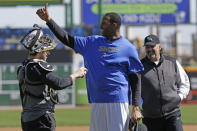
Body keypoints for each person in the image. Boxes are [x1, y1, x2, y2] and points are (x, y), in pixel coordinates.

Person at [36, 4, 144, 131]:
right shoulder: (91, 42)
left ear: (115, 25)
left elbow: (136, 80)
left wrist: (136, 108)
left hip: (118, 102)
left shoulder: (128, 48)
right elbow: (67, 39)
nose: (101, 26)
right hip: (97, 101)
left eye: (105, 23)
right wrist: (49, 21)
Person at [17, 24, 88, 131]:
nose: (47, 53)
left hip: (27, 119)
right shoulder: (37, 67)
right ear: (38, 49)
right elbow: (58, 83)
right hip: (41, 118)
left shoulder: (23, 67)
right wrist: (76, 74)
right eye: (45, 50)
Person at [140, 34, 190, 131]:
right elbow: (134, 90)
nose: (150, 49)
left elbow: (185, 83)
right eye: (147, 47)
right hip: (150, 118)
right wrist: (142, 105)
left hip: (172, 115)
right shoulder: (140, 66)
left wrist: (178, 97)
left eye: (152, 46)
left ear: (159, 47)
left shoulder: (172, 62)